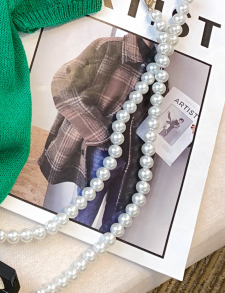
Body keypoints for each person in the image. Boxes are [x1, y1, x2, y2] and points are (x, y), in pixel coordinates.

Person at [38, 31, 157, 232]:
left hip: (133, 162)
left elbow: (155, 116)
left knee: (114, 228)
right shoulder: (109, 47)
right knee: (82, 220)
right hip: (101, 152)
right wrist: (99, 133)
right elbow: (62, 86)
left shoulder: (159, 68)